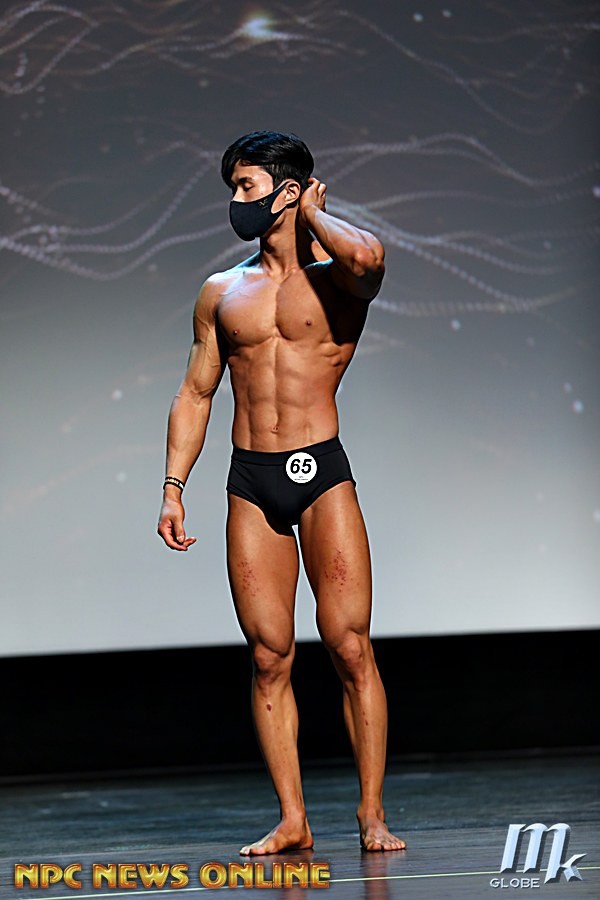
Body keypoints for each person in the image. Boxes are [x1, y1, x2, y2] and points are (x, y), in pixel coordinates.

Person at [157, 131, 406, 855]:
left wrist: (315, 215)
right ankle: (293, 819)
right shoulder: (222, 292)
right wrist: (173, 487)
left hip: (321, 473)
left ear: (287, 190)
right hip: (251, 479)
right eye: (233, 188)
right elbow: (195, 392)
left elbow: (370, 259)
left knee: (349, 646)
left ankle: (371, 813)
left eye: (246, 186)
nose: (236, 201)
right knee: (269, 656)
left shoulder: (337, 281)